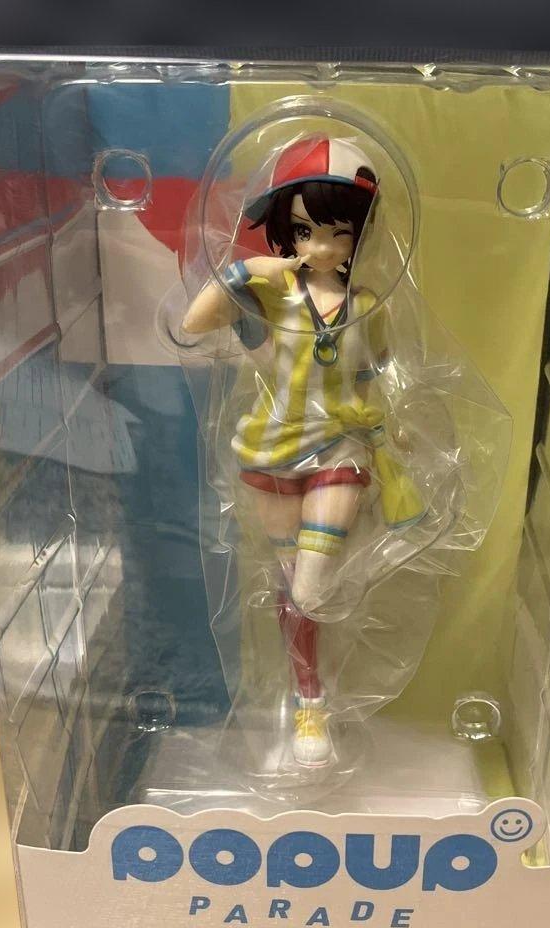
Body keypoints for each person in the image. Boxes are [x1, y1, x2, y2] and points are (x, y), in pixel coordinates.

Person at [183, 135, 422, 768]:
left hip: (341, 445)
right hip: (270, 450)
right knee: (291, 590)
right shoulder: (272, 294)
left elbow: (374, 375)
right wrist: (245, 271)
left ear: (359, 236)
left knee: (311, 587)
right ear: (287, 233)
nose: (321, 248)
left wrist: (393, 428)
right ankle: (308, 701)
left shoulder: (368, 307)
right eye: (305, 232)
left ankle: (312, 696)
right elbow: (192, 324)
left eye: (339, 234)